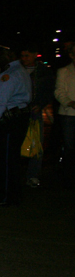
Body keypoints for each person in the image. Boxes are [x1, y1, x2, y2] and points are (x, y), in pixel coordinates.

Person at [0, 47, 32, 206]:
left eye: (1, 54)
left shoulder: (10, 75)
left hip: (9, 121)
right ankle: (14, 194)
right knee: (11, 159)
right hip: (17, 118)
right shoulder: (19, 70)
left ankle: (6, 197)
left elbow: (0, 101)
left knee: (5, 160)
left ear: (11, 55)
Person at [20, 44, 55, 188]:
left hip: (34, 112)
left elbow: (49, 90)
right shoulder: (16, 69)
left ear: (35, 55)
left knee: (35, 143)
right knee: (19, 143)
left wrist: (40, 104)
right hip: (19, 111)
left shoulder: (43, 71)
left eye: (27, 55)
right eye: (22, 56)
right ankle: (18, 174)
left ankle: (33, 175)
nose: (24, 59)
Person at [54, 42, 75, 189]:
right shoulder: (64, 71)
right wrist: (69, 102)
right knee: (69, 146)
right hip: (69, 114)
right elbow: (58, 91)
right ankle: (68, 177)